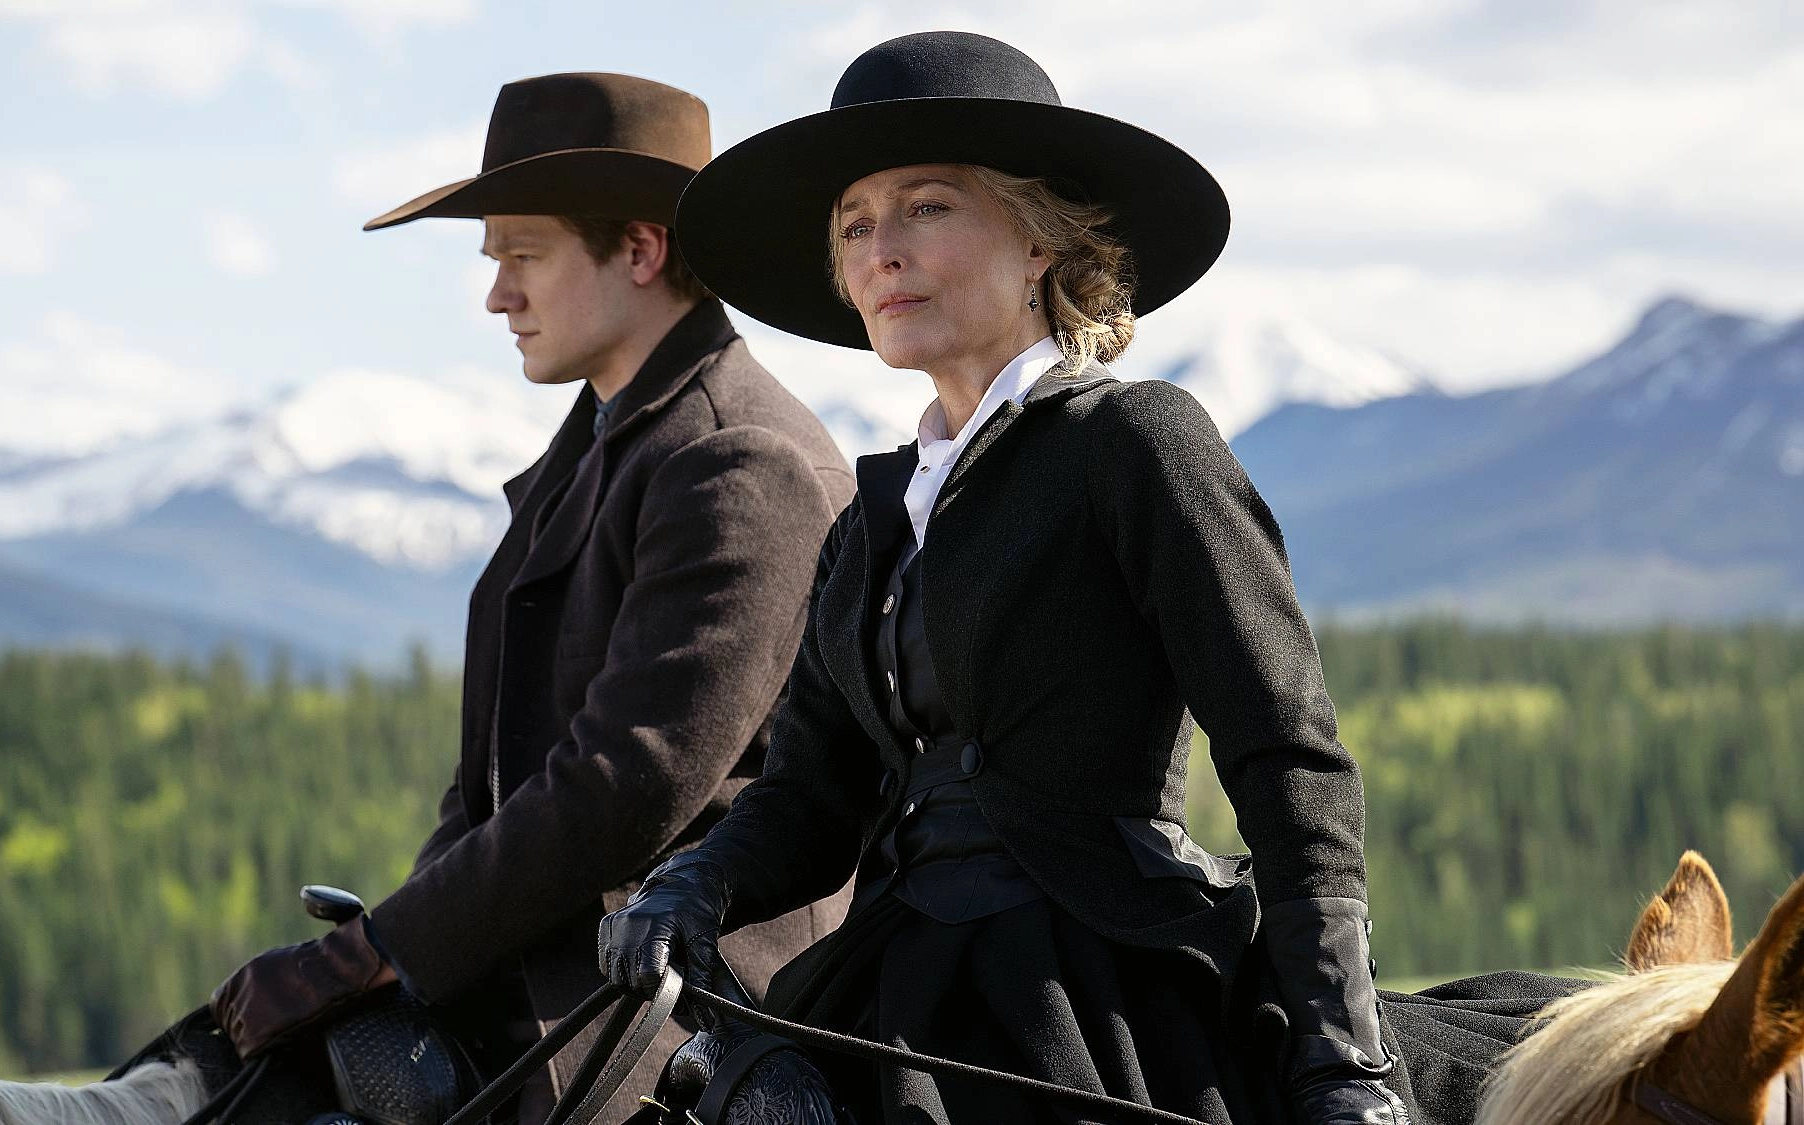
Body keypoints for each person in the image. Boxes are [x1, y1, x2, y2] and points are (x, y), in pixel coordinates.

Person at [599, 32, 1408, 1125]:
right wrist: (698, 880)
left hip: (1096, 992)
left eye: (926, 208)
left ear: (1039, 243)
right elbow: (811, 799)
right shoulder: (868, 526)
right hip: (892, 980)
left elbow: (1285, 750)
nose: (882, 251)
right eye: (854, 226)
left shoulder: (1135, 441)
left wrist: (1340, 1054)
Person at [206, 71, 855, 1121]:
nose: (497, 295)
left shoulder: (739, 460)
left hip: (675, 1039)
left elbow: (623, 784)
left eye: (523, 255)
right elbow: (489, 786)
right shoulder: (606, 445)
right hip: (548, 1000)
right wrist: (387, 951)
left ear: (639, 250)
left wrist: (368, 953)